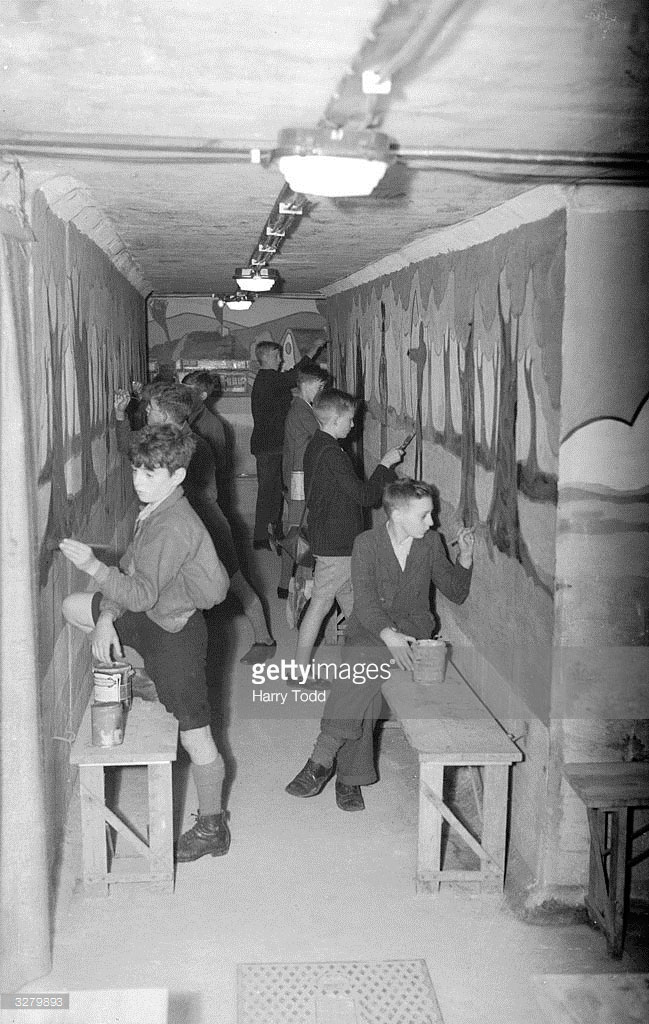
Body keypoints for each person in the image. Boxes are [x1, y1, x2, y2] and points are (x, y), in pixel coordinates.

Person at [59, 424, 232, 860]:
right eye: (136, 469)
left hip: (176, 633)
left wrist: (94, 566)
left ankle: (213, 827)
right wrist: (104, 618)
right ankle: (140, 676)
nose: (139, 481)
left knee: (197, 738)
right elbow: (132, 577)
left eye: (150, 474)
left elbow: (139, 592)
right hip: (149, 614)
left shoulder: (173, 525)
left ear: (177, 476)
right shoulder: (154, 509)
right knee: (75, 608)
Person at [286, 478, 475, 811]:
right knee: (366, 685)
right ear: (397, 514)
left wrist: (466, 560)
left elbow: (456, 592)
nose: (432, 522)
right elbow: (366, 603)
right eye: (425, 515)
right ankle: (348, 779)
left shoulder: (431, 543)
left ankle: (321, 759)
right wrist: (388, 635)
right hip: (371, 631)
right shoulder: (367, 544)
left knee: (358, 675)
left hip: (414, 635)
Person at [114, 382, 276, 664]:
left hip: (208, 527)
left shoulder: (193, 447)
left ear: (164, 415)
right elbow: (133, 448)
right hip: (189, 528)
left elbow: (203, 497)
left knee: (235, 584)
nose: (146, 413)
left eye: (150, 409)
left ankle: (265, 639)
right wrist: (120, 417)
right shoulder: (168, 439)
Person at [293, 389, 403, 673]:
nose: (353, 426)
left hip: (334, 541)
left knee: (357, 607)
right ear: (335, 421)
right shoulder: (333, 455)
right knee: (319, 606)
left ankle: (365, 664)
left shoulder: (318, 444)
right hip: (336, 545)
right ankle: (299, 671)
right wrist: (384, 465)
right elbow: (366, 496)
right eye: (350, 420)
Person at [250, 338, 328, 551]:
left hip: (269, 445)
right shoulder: (269, 378)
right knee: (268, 492)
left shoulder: (268, 379)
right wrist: (313, 349)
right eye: (277, 356)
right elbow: (295, 376)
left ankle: (272, 534)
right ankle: (260, 537)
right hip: (270, 446)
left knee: (273, 491)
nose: (280, 359)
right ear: (266, 357)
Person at [277, 363, 330, 599]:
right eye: (320, 386)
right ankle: (298, 583)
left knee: (298, 530)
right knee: (300, 531)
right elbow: (322, 437)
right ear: (308, 384)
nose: (321, 391)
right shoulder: (301, 410)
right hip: (300, 478)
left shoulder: (302, 407)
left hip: (297, 476)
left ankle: (288, 581)